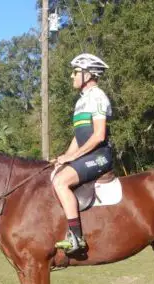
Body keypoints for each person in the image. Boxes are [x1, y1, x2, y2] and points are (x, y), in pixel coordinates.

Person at [51, 53, 113, 254]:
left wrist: (72, 158)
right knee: (55, 173)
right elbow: (78, 138)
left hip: (100, 156)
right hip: (87, 156)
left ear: (87, 74)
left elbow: (98, 136)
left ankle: (76, 237)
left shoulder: (98, 97)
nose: (72, 76)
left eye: (75, 72)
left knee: (61, 182)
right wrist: (63, 158)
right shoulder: (82, 101)